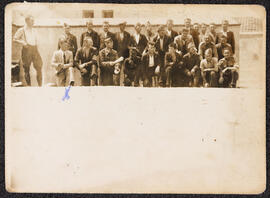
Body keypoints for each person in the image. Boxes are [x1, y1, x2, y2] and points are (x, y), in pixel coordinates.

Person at [13, 15, 43, 86]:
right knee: (27, 69)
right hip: (26, 50)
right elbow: (15, 39)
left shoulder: (34, 30)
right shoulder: (21, 30)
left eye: (33, 21)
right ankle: (29, 87)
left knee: (39, 67)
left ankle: (40, 86)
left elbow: (37, 40)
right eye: (32, 21)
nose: (33, 22)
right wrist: (23, 42)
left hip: (34, 50)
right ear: (27, 21)